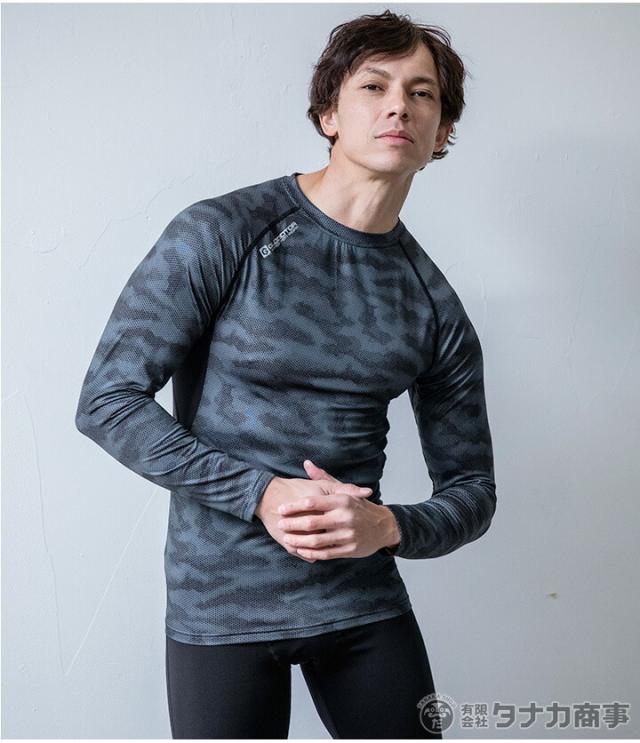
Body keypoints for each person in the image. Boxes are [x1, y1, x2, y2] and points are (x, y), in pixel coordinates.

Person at [75, 8, 497, 739]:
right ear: (329, 114)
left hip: (361, 604)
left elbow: (474, 491)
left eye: (422, 93)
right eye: (374, 86)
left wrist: (389, 525)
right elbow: (108, 401)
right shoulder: (223, 231)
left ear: (442, 135)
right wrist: (261, 494)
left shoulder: (432, 304)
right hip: (222, 606)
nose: (399, 105)